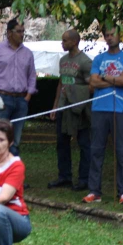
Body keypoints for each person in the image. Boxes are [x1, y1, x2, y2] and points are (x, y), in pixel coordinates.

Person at [82, 26, 123, 205]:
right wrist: (114, 80)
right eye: (107, 35)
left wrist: (103, 78)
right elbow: (92, 83)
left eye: (113, 34)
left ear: (119, 35)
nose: (109, 37)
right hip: (99, 109)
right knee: (96, 150)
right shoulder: (99, 58)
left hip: (120, 110)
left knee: (122, 151)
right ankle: (94, 191)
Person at [0, 18, 37, 156]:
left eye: (23, 31)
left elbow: (32, 76)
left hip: (21, 100)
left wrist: (28, 96)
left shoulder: (27, 53)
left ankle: (11, 172)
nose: (22, 34)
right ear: (9, 33)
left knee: (15, 140)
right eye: (18, 31)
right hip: (2, 98)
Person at [48, 30, 93, 191]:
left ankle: (84, 179)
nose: (62, 43)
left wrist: (76, 94)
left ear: (74, 42)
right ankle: (64, 176)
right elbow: (61, 83)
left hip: (78, 109)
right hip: (63, 107)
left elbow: (92, 86)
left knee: (83, 143)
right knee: (62, 143)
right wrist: (55, 106)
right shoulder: (63, 60)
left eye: (65, 40)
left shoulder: (86, 62)